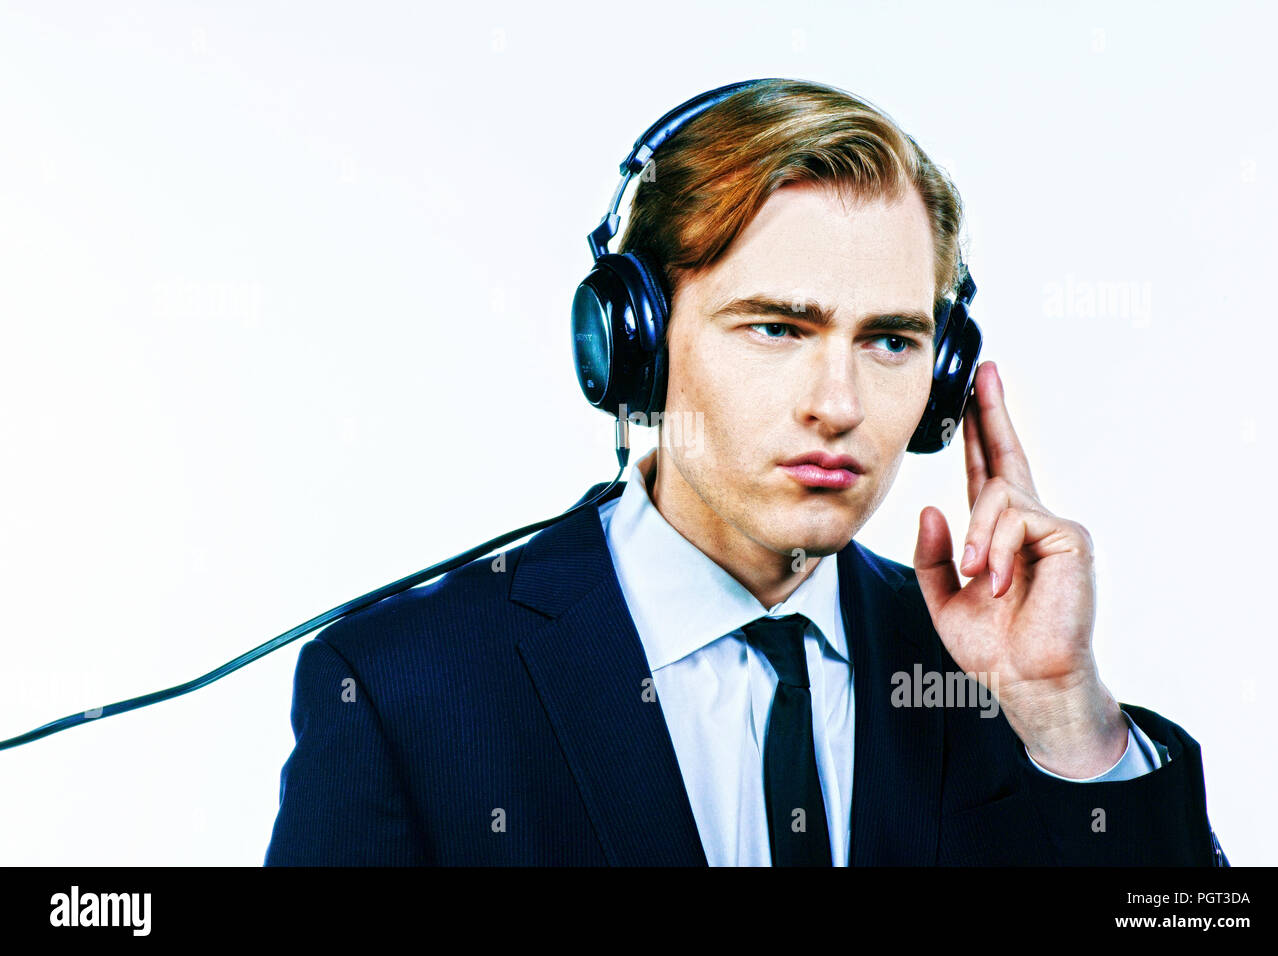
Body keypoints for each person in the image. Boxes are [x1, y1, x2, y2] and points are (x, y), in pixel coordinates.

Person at [264, 78, 1224, 866]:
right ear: (634, 345)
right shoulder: (404, 690)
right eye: (777, 328)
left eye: (890, 340)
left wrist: (1067, 717)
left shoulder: (991, 677)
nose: (837, 404)